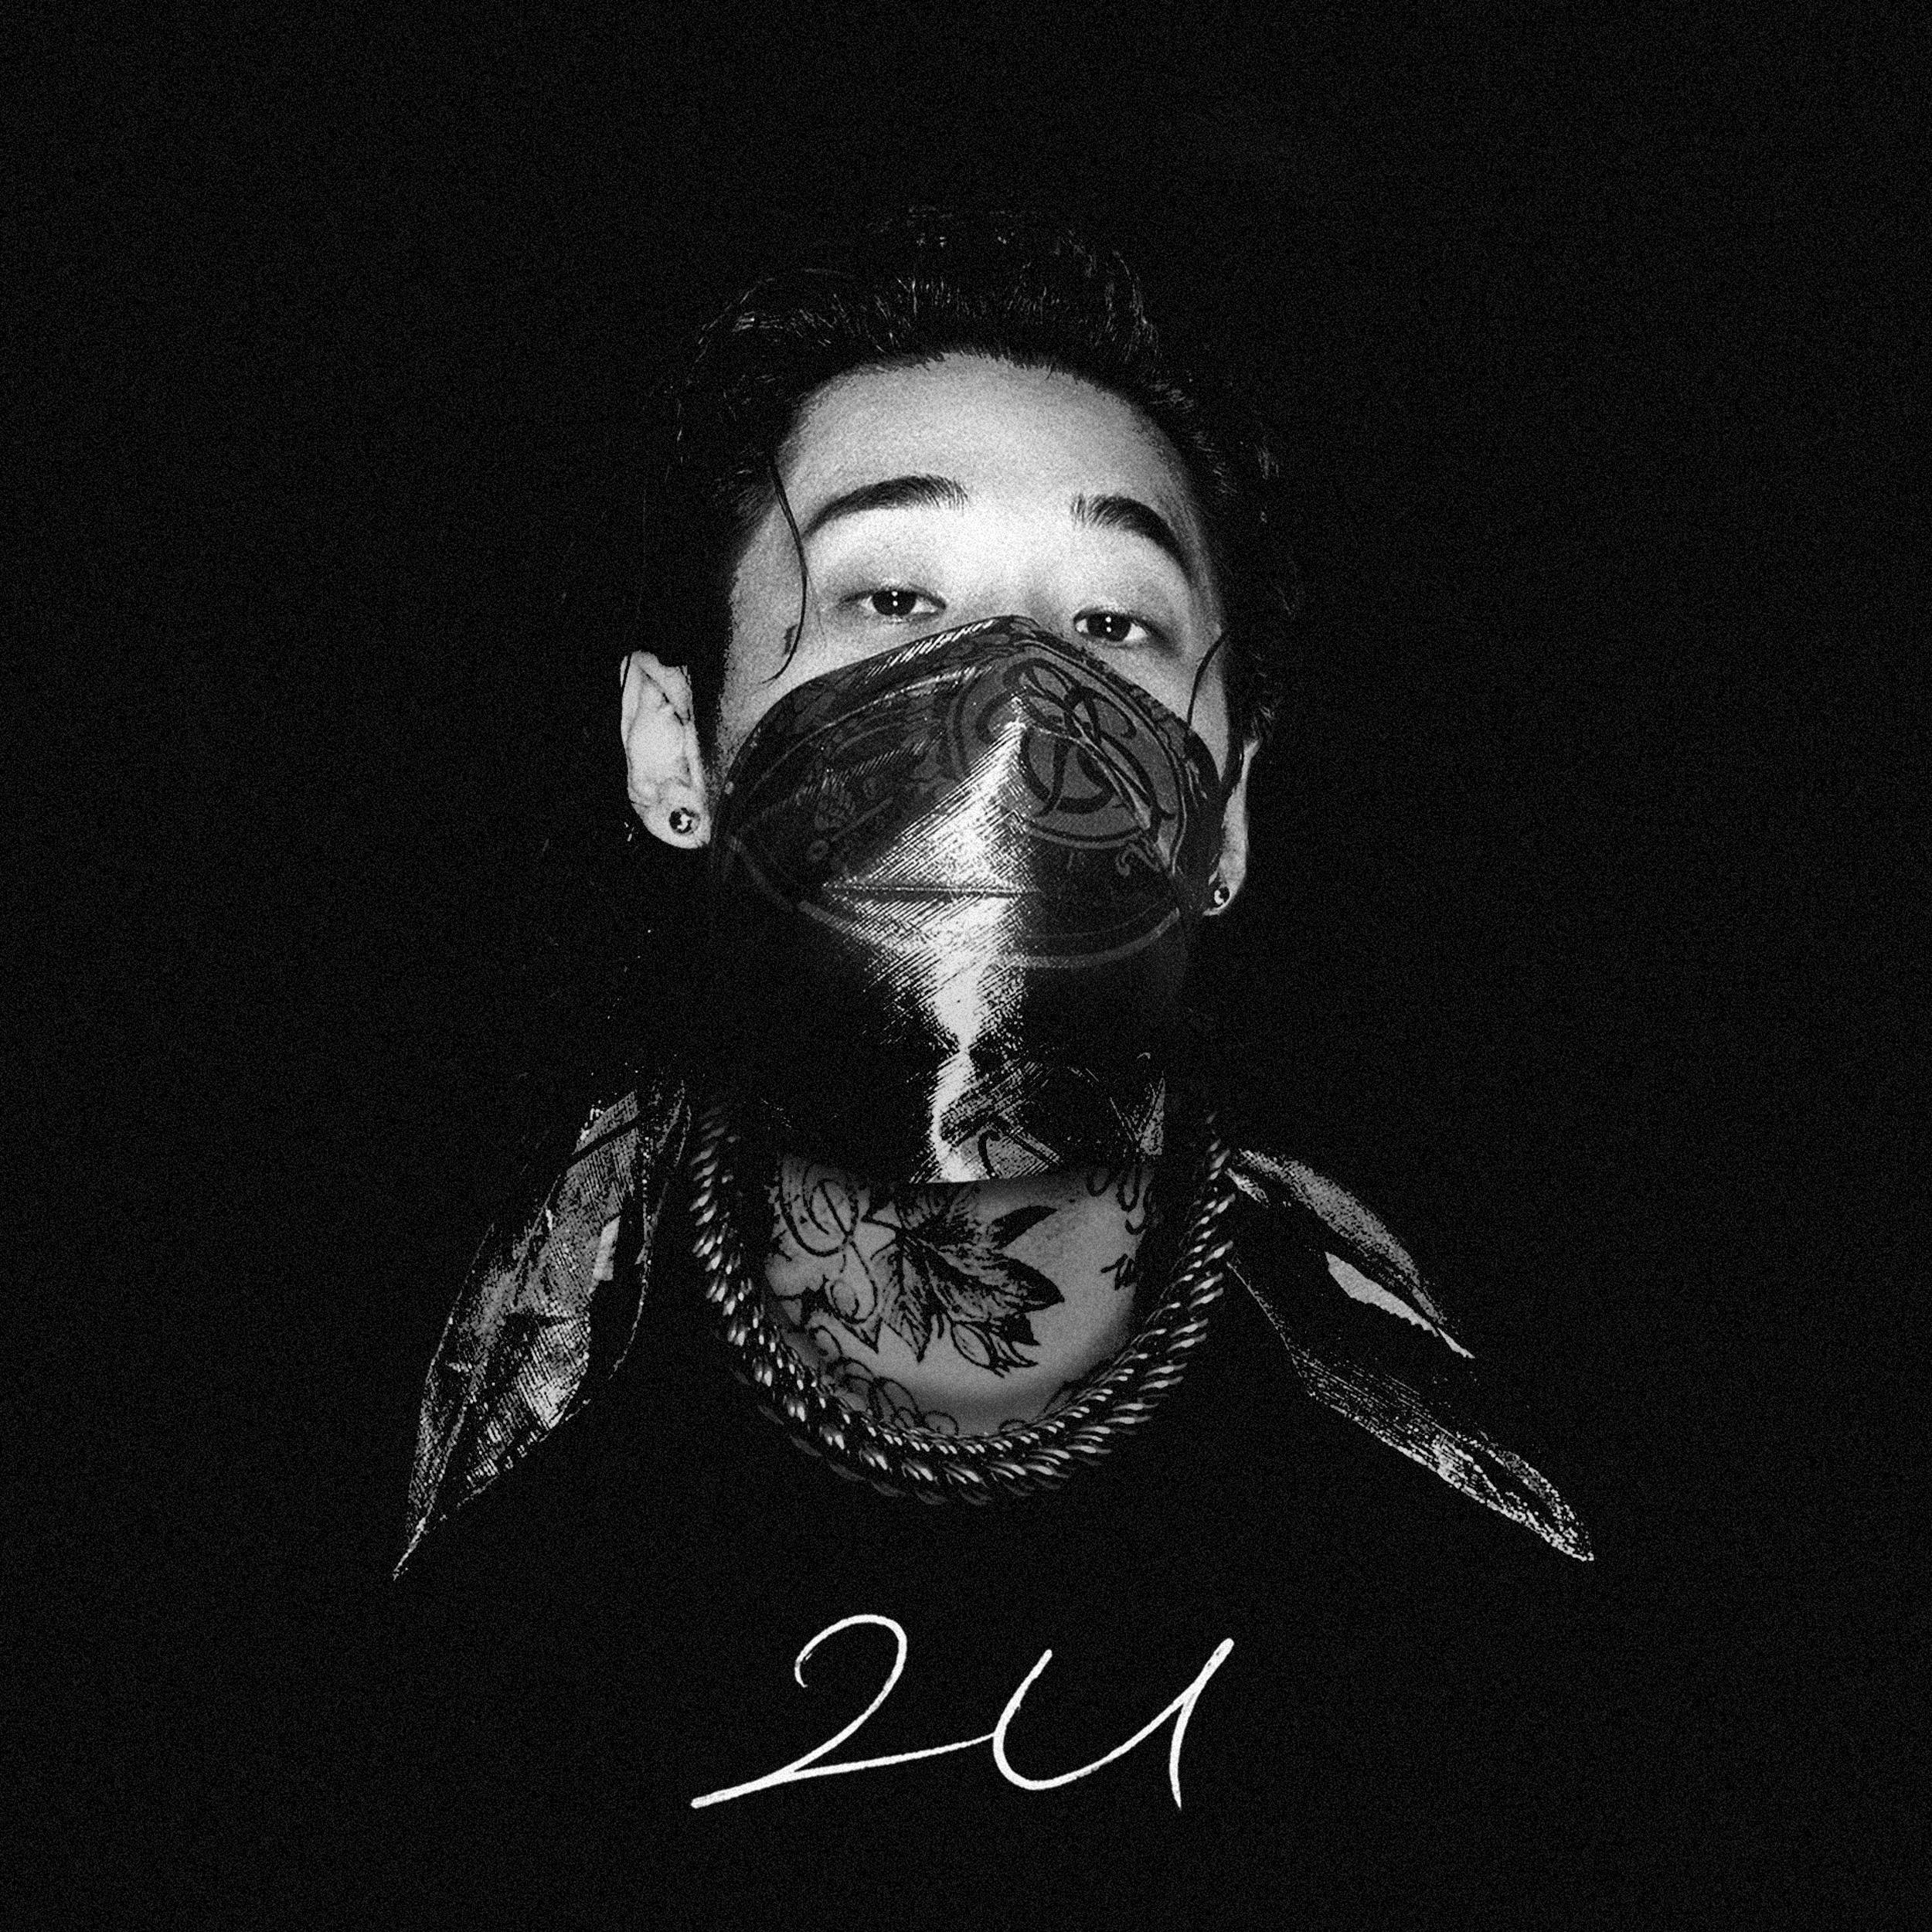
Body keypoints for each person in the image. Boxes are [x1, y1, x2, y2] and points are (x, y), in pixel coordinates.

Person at [375, 209, 1593, 1922]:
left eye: (1114, 622)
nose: (1017, 697)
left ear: (1229, 809)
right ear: (674, 746)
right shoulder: (430, 1424)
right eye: (892, 597)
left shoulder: (1464, 1482)